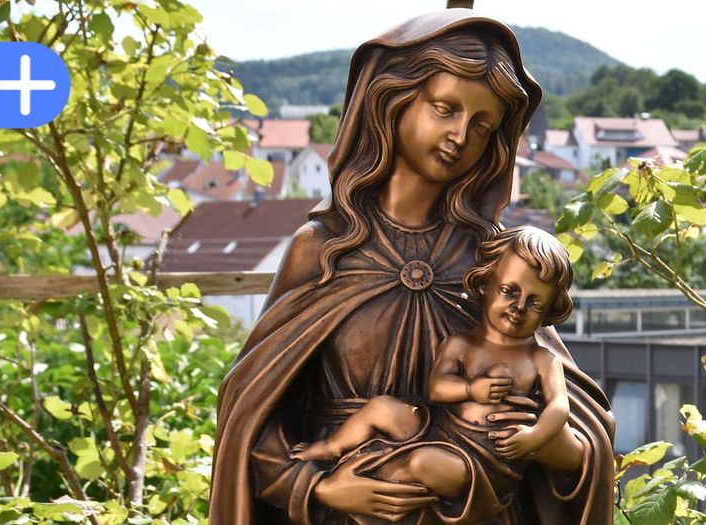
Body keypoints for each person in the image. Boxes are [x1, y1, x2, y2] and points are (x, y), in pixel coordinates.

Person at [210, 9, 614, 525]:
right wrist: (320, 488)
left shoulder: (493, 260)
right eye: (444, 108)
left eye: (482, 126)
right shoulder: (324, 249)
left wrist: (542, 443)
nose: (460, 136)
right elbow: (252, 411)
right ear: (394, 101)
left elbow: (581, 434)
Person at [288, 226, 586, 523]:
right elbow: (437, 389)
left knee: (422, 462)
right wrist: (470, 390)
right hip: (442, 429)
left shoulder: (541, 358)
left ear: (549, 310)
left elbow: (560, 407)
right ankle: (332, 448)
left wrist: (535, 438)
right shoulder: (462, 344)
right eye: (509, 292)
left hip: (483, 462)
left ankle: (374, 476)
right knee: (381, 409)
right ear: (485, 283)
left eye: (535, 304)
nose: (519, 308)